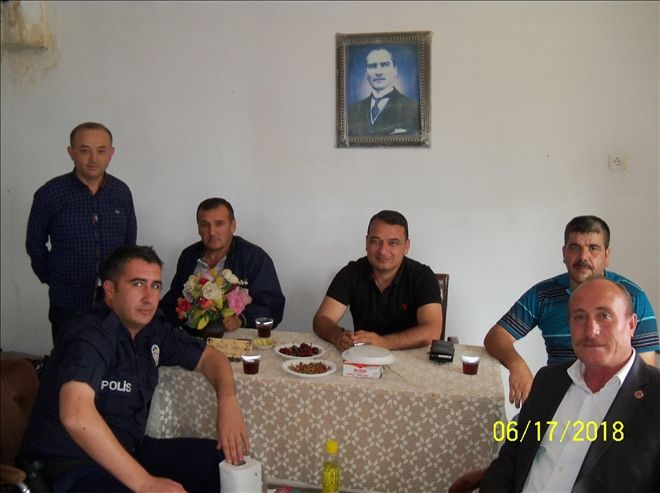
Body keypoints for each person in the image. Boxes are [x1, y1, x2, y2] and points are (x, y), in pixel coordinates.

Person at [20, 245, 249, 493]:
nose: (149, 297)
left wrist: (228, 404)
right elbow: (75, 415)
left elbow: (211, 357)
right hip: (71, 467)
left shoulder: (151, 329)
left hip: (128, 451)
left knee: (217, 462)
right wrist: (145, 483)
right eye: (138, 284)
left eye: (155, 286)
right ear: (110, 290)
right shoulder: (89, 334)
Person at [481, 277, 660, 492]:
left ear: (631, 324)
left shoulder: (654, 396)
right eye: (579, 317)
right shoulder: (548, 381)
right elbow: (509, 461)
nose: (591, 331)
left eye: (604, 316)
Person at [484, 215, 658, 408]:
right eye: (575, 248)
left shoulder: (633, 298)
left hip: (615, 402)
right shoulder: (543, 295)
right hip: (557, 397)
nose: (583, 257)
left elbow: (645, 371)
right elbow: (497, 336)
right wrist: (517, 365)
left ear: (607, 255)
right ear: (564, 253)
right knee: (514, 428)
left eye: (593, 248)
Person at [26, 122, 137, 343]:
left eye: (101, 150)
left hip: (113, 298)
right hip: (67, 299)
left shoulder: (121, 192)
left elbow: (129, 242)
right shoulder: (50, 193)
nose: (93, 158)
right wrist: (52, 277)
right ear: (71, 152)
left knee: (113, 354)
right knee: (69, 355)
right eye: (85, 150)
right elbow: (34, 243)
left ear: (111, 153)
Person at [313, 210, 442, 351]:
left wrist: (384, 342)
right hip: (363, 356)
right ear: (366, 242)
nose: (382, 251)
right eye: (375, 241)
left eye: (393, 243)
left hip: (411, 357)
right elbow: (322, 319)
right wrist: (337, 336)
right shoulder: (351, 273)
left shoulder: (423, 276)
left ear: (406, 246)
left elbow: (431, 332)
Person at [160, 197, 285, 332]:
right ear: (198, 228)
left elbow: (273, 306)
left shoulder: (254, 258)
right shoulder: (189, 256)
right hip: (190, 338)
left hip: (236, 339)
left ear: (233, 226)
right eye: (204, 225)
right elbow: (173, 301)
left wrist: (242, 319)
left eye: (219, 224)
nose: (212, 232)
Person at [347, 47, 420, 136]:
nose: (378, 72)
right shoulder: (352, 111)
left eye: (385, 65)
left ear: (395, 71)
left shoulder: (413, 108)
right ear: (366, 74)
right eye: (372, 66)